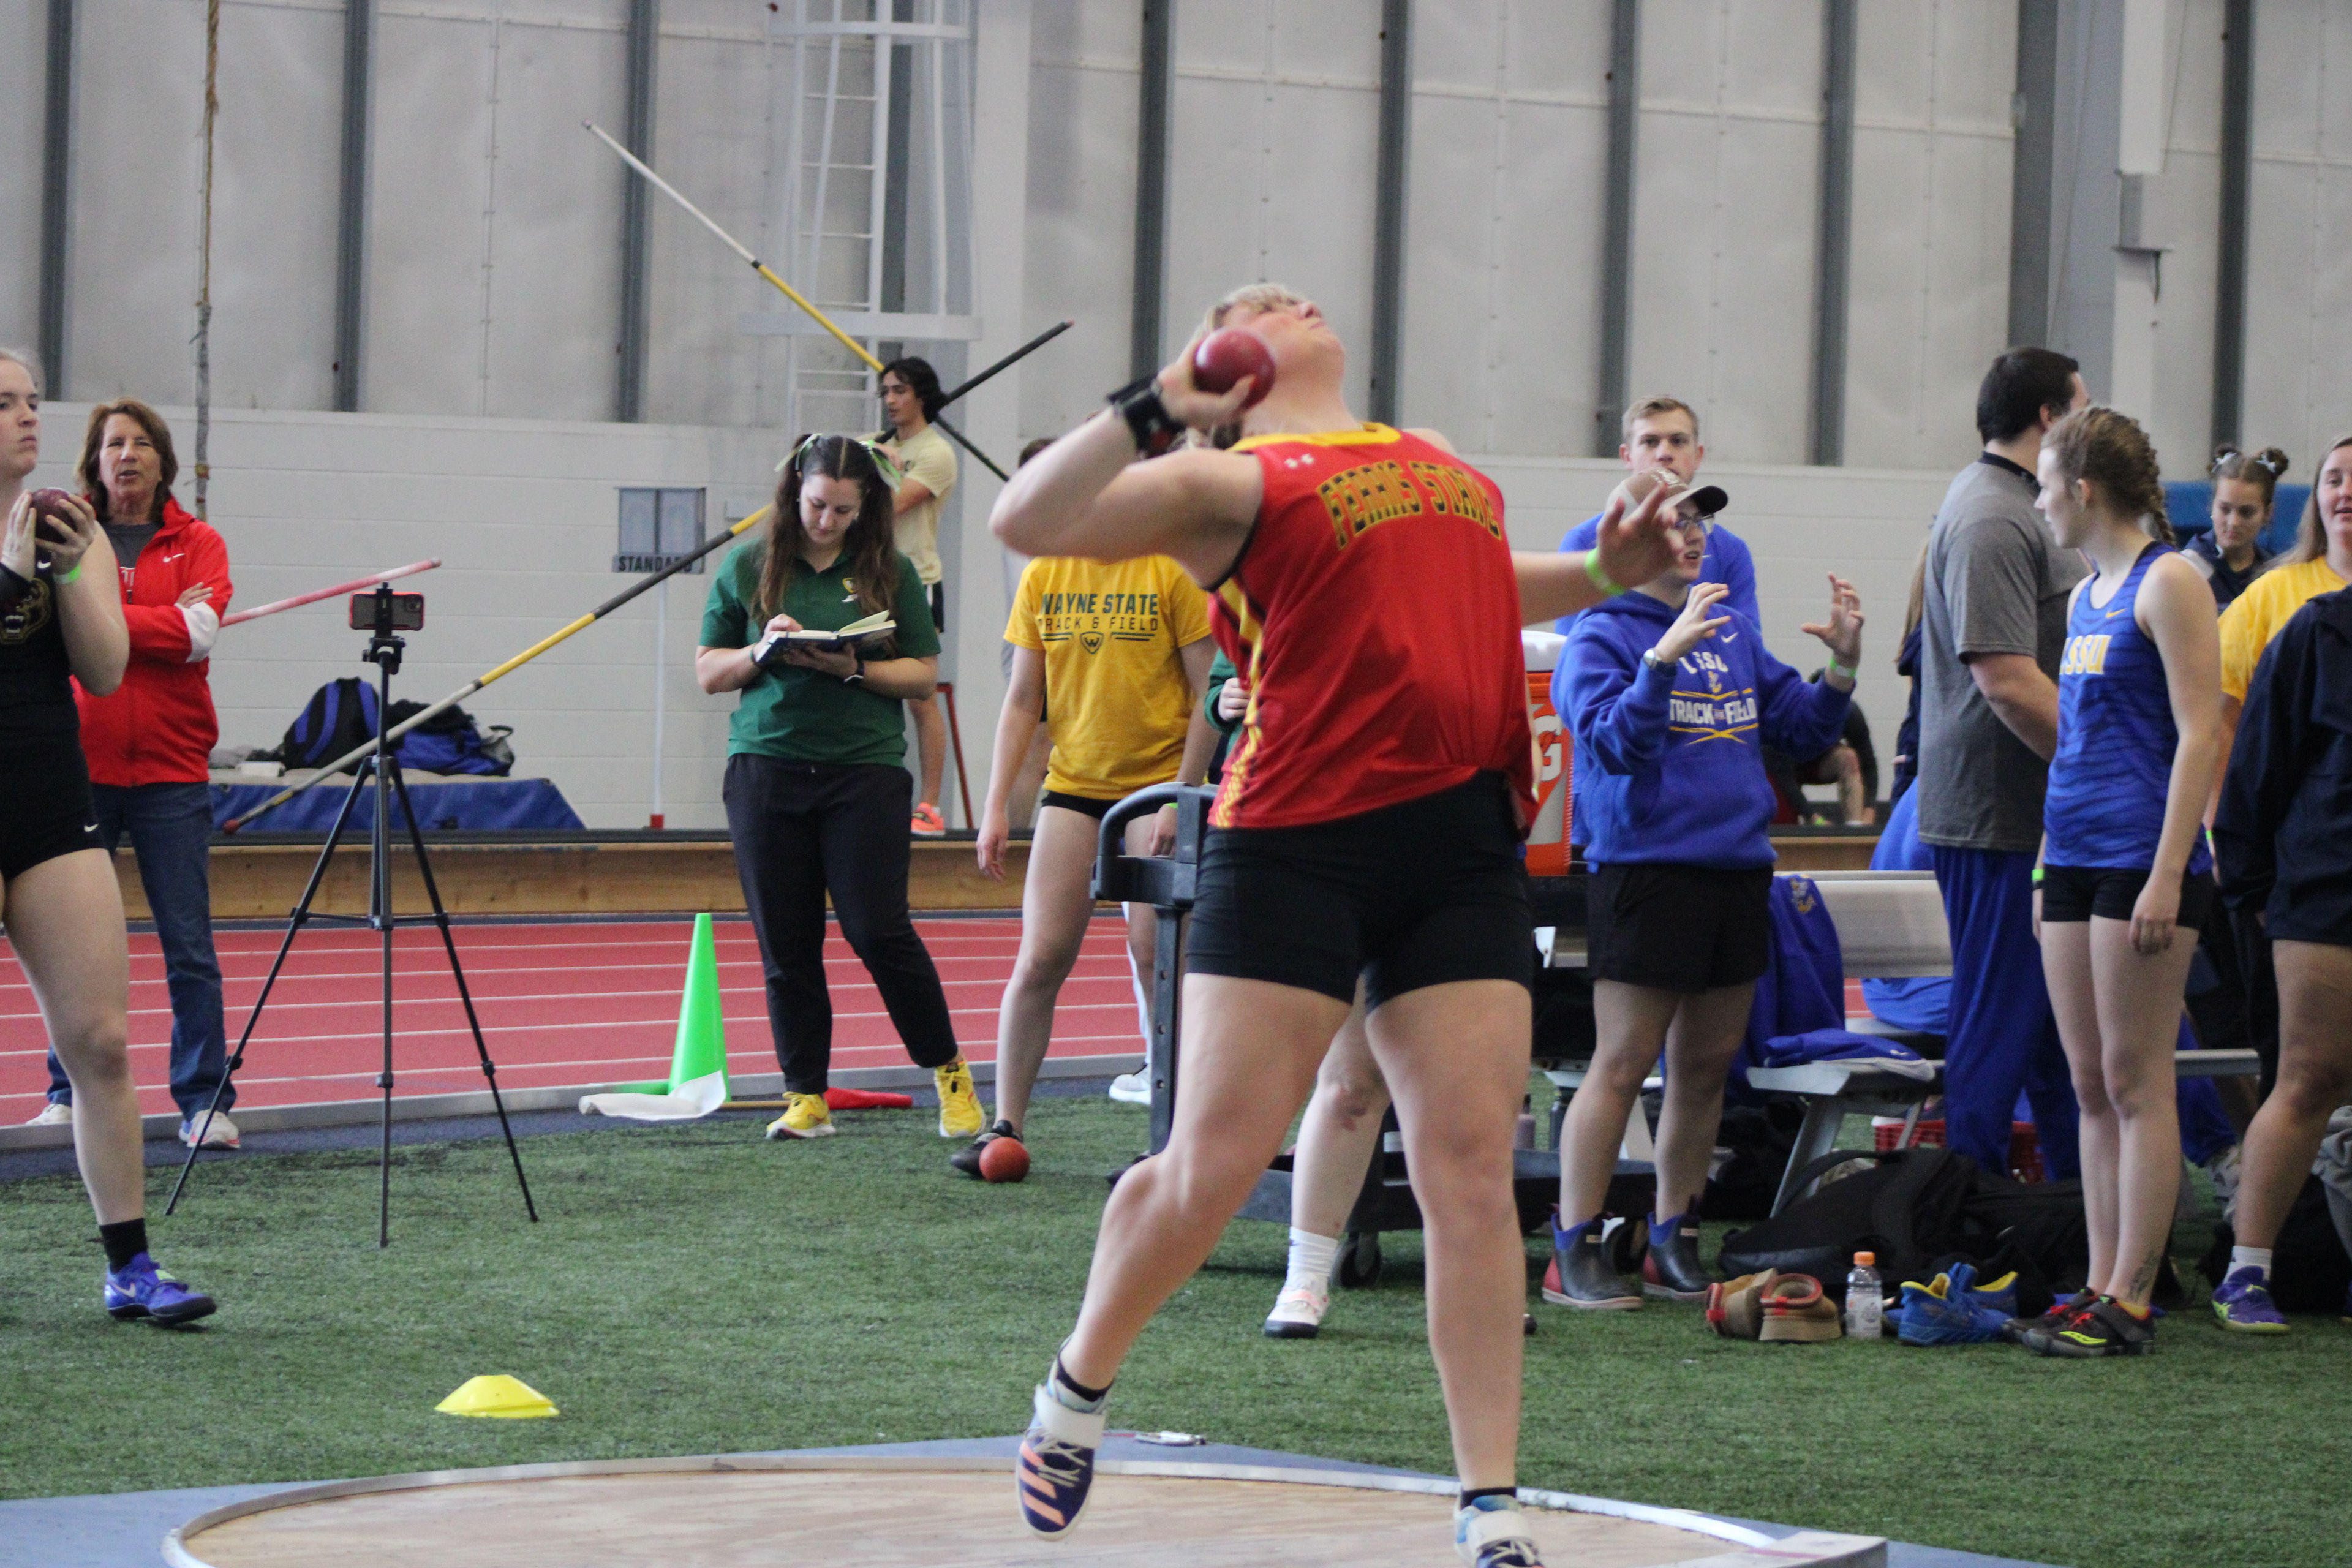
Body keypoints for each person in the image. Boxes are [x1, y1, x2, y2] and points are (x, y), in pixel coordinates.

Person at [988, 282, 1678, 1568]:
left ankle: (1489, 1503)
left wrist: (1600, 574)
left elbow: (1478, 582)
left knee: (1468, 1170)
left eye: (1290, 291)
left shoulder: (1431, 459)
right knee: (1210, 1166)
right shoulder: (1229, 481)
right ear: (1232, 361)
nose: (1287, 297)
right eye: (1253, 300)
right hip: (1294, 839)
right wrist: (1160, 404)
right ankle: (1074, 1390)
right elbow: (1024, 519)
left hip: (1458, 839)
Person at [1548, 472, 1861, 1308]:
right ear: (1630, 538)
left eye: (1699, 522)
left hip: (1736, 868)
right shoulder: (1599, 633)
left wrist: (1840, 667)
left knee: (1706, 1069)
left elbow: (1799, 728)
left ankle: (1673, 1237)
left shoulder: (1728, 628)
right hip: (1648, 870)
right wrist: (1660, 663)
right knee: (1623, 1064)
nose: (1693, 535)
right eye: (1674, 522)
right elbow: (1611, 745)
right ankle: (1572, 1244)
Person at [0, 347, 215, 1324]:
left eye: (33, 401)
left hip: (49, 801)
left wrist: (76, 564)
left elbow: (105, 668)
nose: (28, 418)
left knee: (101, 1041)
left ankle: (130, 1267)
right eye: (6, 403)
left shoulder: (60, 524)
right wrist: (9, 576)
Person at [695, 434, 986, 1144]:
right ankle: (806, 1096)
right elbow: (708, 671)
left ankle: (949, 1071)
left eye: (844, 511)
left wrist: (852, 667)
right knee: (786, 944)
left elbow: (923, 676)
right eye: (817, 505)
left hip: (864, 771)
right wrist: (763, 649)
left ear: (867, 509)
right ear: (795, 491)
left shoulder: (892, 571)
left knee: (877, 929)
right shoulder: (749, 565)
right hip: (766, 767)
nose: (827, 521)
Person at [2013, 408, 2219, 1357]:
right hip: (2073, 857)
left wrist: (2171, 872)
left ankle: (2133, 1297)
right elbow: (2079, 746)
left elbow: (2202, 732)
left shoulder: (2167, 580)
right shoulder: (2088, 594)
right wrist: (2045, 862)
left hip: (2141, 859)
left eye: (2046, 485)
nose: (2039, 503)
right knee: (2090, 1083)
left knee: (2138, 1083)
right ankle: (2098, 1284)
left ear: (2084, 488)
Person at [969, 465, 1218, 1176]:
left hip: (1155, 785)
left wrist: (1180, 793)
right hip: (1075, 788)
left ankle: (1176, 1131)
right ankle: (1004, 1123)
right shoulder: (1046, 574)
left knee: (1155, 952)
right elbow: (1025, 698)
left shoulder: (1170, 572)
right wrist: (995, 805)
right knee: (1042, 955)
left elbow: (1209, 688)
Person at [27, 400, 237, 1148]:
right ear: (95, 458)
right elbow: (53, 629)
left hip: (173, 775)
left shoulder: (199, 542)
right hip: (77, 772)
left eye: (142, 443)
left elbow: (199, 633)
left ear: (162, 460)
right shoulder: (61, 534)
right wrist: (158, 618)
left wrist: (107, 616)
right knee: (67, 948)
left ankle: (205, 1101)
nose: (128, 455)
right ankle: (64, 1092)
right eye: (115, 443)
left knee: (189, 946)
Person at [1914, 347, 2091, 1182]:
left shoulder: (2021, 504)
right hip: (1999, 821)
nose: (2093, 422)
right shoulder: (1992, 514)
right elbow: (2007, 679)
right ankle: (1965, 1218)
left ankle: (2076, 1218)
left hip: (2032, 815)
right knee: (1999, 1027)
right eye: (2083, 407)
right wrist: (2101, 764)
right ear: (2049, 417)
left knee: (2059, 1038)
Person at [2211, 460, 2352, 1333]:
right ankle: (2248, 1270)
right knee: (2308, 1078)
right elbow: (2255, 772)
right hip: (2323, 890)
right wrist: (2252, 889)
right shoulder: (2312, 632)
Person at [879, 358, 957, 837]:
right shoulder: (880, 446)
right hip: (869, 580)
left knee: (921, 697)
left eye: (900, 390)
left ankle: (929, 806)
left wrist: (879, 467)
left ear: (921, 395)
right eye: (886, 391)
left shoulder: (936, 452)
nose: (890, 400)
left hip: (915, 581)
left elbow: (888, 507)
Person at [2186, 447, 2287, 609]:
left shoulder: (2276, 574)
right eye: (2225, 509)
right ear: (2212, 506)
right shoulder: (2187, 568)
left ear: (2268, 513)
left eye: (2246, 512)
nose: (2233, 522)